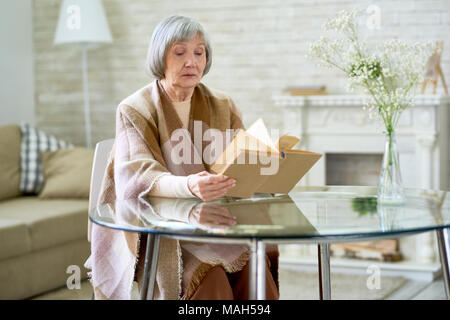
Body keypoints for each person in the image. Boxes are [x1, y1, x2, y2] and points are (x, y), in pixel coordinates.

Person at [88, 15, 279, 300]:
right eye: (180, 52)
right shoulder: (134, 109)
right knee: (210, 275)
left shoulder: (223, 105)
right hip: (161, 233)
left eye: (199, 52)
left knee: (254, 264)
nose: (192, 61)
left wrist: (270, 164)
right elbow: (139, 176)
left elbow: (243, 159)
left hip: (218, 222)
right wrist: (189, 185)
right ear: (160, 57)